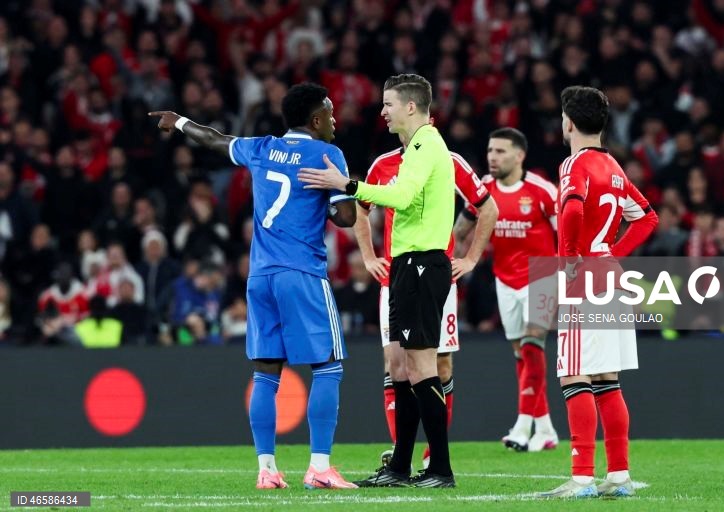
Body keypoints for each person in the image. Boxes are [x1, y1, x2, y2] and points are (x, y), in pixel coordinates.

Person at [149, 82, 358, 490]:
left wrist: (180, 123)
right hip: (302, 272)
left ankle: (266, 469)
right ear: (315, 120)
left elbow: (216, 139)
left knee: (266, 372)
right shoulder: (328, 154)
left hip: (260, 277)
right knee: (329, 365)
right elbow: (346, 218)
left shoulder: (262, 147)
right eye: (330, 113)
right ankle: (319, 468)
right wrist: (345, 186)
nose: (335, 120)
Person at [300, 74, 460, 488]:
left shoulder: (427, 143)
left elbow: (403, 197)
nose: (383, 110)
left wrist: (346, 184)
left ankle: (440, 468)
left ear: (410, 106)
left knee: (423, 366)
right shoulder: (417, 149)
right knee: (405, 369)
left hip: (423, 263)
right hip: (408, 264)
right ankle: (401, 467)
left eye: (388, 103)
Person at [535, 86, 658, 499]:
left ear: (568, 121)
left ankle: (583, 477)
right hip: (609, 275)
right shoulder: (614, 167)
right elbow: (646, 217)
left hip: (582, 278)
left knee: (574, 374)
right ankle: (619, 476)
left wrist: (571, 259)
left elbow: (571, 207)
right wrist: (611, 253)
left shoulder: (574, 164)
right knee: (607, 379)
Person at [355, 134, 497, 468]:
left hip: (434, 279)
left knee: (438, 365)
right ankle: (399, 451)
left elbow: (486, 207)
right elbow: (360, 210)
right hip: (395, 277)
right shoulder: (383, 163)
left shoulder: (447, 159)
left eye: (390, 105)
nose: (385, 114)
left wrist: (471, 259)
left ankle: (435, 454)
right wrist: (368, 256)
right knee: (395, 364)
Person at [455, 127, 559, 453]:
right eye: (489, 151)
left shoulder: (542, 191)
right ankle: (545, 430)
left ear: (519, 155)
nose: (492, 157)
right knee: (522, 355)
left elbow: (566, 236)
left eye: (500, 151)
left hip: (543, 275)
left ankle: (522, 426)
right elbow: (460, 230)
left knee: (531, 344)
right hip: (505, 278)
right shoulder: (483, 190)